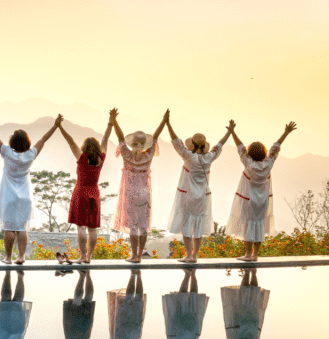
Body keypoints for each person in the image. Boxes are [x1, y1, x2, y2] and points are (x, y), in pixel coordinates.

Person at [0, 115, 62, 264]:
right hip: (25, 198)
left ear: (12, 142)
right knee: (22, 228)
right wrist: (55, 126)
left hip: (8, 197)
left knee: (9, 229)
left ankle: (9, 258)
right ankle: (21, 256)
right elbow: (43, 139)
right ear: (28, 142)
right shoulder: (30, 155)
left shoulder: (6, 152)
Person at [164, 112, 232, 263]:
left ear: (192, 144)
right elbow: (220, 145)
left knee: (187, 224)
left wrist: (167, 124)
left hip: (187, 195)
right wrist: (229, 131)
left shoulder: (188, 156)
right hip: (203, 197)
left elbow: (176, 141)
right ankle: (195, 255)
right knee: (198, 227)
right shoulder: (209, 158)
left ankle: (188, 255)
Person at [226, 121, 297, 261]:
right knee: (259, 226)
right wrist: (286, 133)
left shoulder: (248, 163)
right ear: (264, 153)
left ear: (250, 153)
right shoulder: (268, 164)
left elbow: (240, 147)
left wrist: (232, 132)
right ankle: (255, 254)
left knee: (248, 225)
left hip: (248, 201)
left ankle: (247, 254)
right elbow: (276, 148)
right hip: (262, 202)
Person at [57, 109, 115, 263]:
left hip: (81, 192)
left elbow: (70, 141)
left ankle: (82, 256)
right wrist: (111, 121)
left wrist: (60, 127)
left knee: (81, 227)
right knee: (92, 228)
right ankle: (89, 256)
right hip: (94, 193)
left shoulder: (82, 158)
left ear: (84, 147)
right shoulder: (101, 158)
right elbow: (106, 138)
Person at [112, 110, 168, 263]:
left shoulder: (127, 155)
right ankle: (140, 255)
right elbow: (155, 137)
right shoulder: (148, 155)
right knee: (142, 226)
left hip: (130, 192)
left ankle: (134, 255)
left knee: (133, 227)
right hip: (144, 192)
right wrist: (164, 121)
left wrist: (114, 120)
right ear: (145, 144)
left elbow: (120, 137)